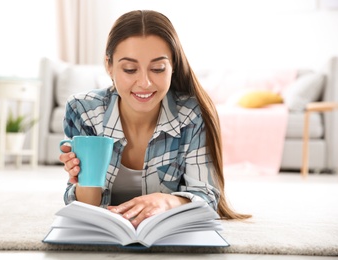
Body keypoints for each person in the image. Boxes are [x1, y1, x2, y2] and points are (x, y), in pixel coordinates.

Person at [59, 10, 250, 228]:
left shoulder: (192, 113)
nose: (145, 83)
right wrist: (83, 177)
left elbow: (206, 197)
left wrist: (167, 201)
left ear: (173, 66)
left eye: (158, 69)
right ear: (109, 66)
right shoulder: (83, 110)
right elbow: (86, 209)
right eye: (130, 69)